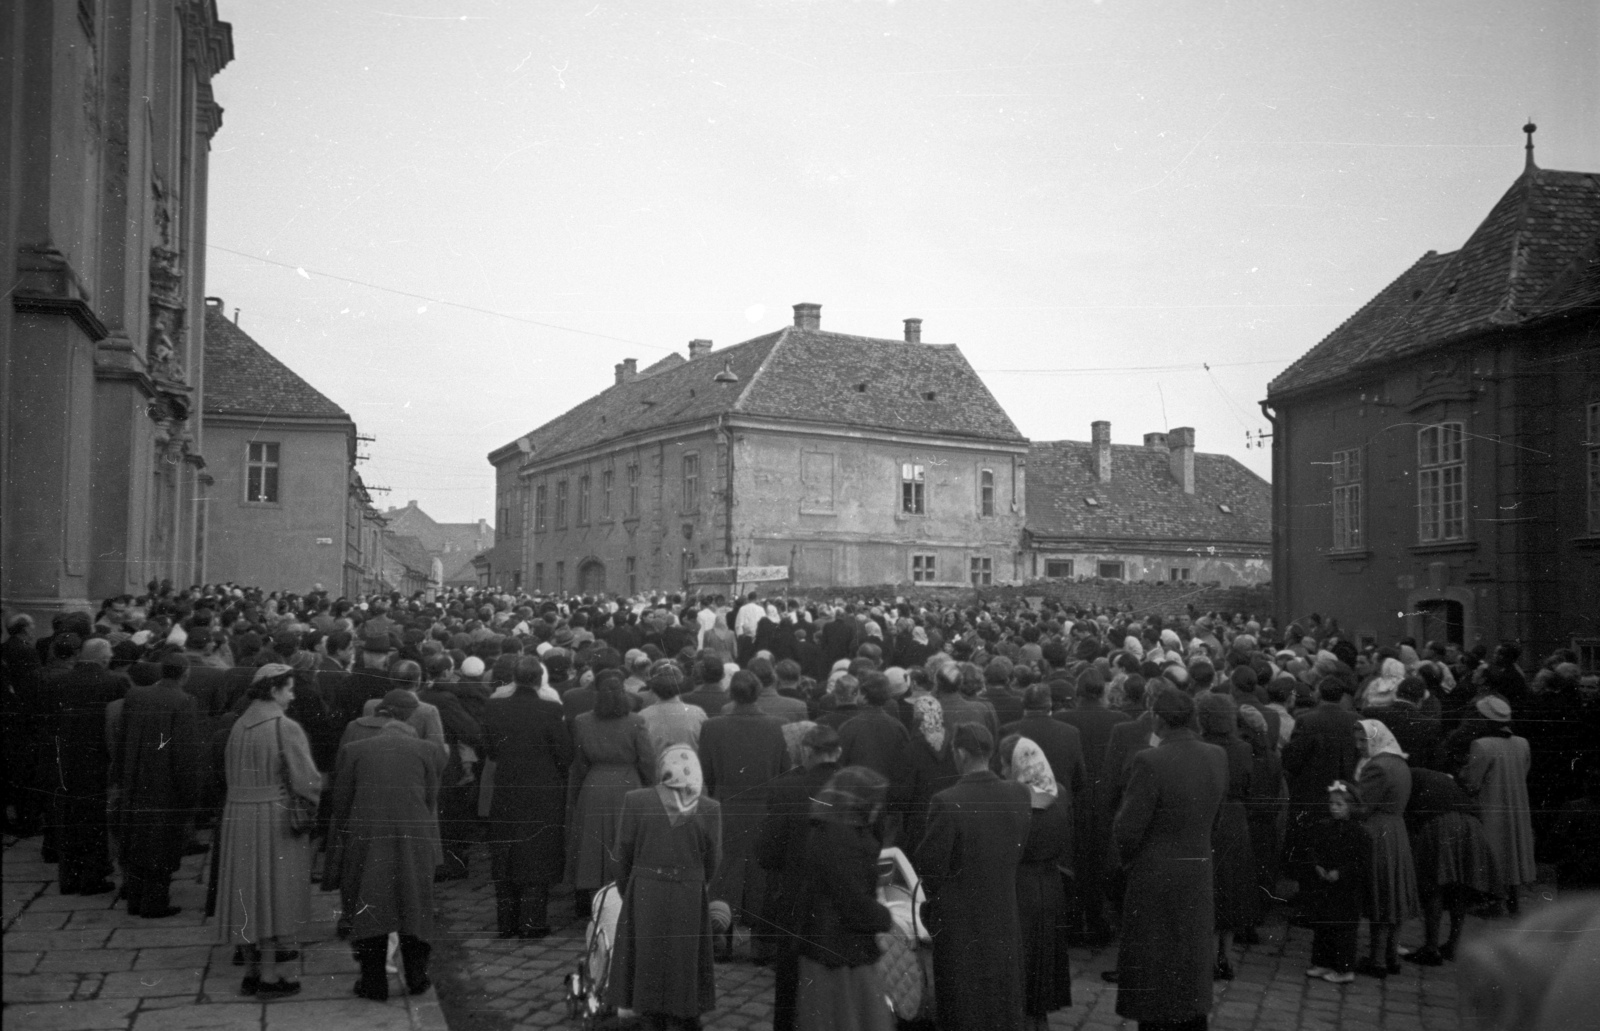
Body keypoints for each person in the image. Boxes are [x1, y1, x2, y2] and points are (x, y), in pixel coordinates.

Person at [1112, 687, 1227, 1031]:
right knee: (1190, 957)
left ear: (1159, 719)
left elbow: (1127, 829)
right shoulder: (1217, 755)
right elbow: (1216, 815)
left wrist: (1132, 861)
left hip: (1155, 873)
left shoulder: (1150, 760)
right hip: (1197, 869)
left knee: (1155, 963)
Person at [325, 689, 445, 1001]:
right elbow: (431, 798)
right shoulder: (426, 750)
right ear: (411, 717)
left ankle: (373, 980)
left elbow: (341, 803)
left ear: (383, 713)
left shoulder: (354, 749)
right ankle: (417, 977)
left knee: (369, 900)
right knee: (414, 901)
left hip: (367, 835)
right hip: (413, 834)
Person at [212, 664, 322, 998]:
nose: (293, 694)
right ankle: (277, 978)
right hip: (273, 818)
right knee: (277, 894)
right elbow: (307, 781)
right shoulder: (284, 727)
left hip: (239, 816)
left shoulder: (238, 725)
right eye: (289, 689)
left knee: (248, 892)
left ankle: (252, 972)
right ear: (273, 691)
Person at [915, 722, 1032, 1031]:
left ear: (962, 753)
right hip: (1003, 909)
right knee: (1001, 996)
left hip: (959, 917)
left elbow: (930, 866)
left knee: (962, 1001)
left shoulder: (947, 801)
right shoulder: (1019, 793)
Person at [608, 745, 723, 1031]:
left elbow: (623, 851)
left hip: (646, 888)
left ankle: (649, 1013)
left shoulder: (636, 800)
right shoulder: (709, 807)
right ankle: (684, 1012)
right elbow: (714, 858)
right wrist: (698, 882)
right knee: (684, 954)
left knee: (647, 951)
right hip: (689, 889)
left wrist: (628, 889)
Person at [793, 766, 895, 1031]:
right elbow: (853, 902)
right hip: (841, 957)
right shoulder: (844, 840)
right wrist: (885, 918)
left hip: (825, 948)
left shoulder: (828, 829)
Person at [698, 669, 789, 956]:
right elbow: (784, 772)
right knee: (763, 875)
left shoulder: (713, 727)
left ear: (731, 693)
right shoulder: (779, 726)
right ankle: (762, 943)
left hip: (728, 807)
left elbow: (707, 774)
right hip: (764, 808)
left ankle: (721, 938)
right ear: (759, 692)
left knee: (726, 872)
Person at [758, 724, 843, 1031]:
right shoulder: (857, 787)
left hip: (797, 898)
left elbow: (766, 853)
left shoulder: (787, 788)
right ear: (839, 753)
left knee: (791, 983)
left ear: (807, 752)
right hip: (842, 901)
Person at [481, 655, 572, 938]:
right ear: (538, 679)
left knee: (506, 852)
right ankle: (532, 921)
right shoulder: (550, 709)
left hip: (508, 785)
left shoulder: (495, 706)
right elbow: (565, 754)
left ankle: (507, 922)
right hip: (542, 789)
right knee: (536, 852)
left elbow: (491, 749)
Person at [111, 650, 204, 920]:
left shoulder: (135, 695)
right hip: (165, 786)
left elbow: (122, 739)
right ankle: (154, 903)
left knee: (137, 841)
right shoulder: (184, 701)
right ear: (185, 674)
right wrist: (190, 793)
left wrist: (119, 775)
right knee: (161, 846)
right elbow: (185, 753)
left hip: (135, 781)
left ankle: (136, 899)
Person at [566, 673, 656, 917]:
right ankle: (625, 897)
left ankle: (588, 900)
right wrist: (651, 784)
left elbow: (580, 761)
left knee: (592, 844)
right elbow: (647, 759)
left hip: (594, 785)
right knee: (624, 841)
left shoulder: (583, 721)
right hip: (628, 785)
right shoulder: (635, 722)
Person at [1000, 735, 1074, 1031]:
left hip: (1020, 885)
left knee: (1023, 958)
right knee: (1044, 958)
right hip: (1050, 883)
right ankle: (1039, 1019)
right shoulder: (1062, 793)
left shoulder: (1012, 799)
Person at [50, 637, 128, 894]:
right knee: (94, 820)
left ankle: (69, 877)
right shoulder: (113, 682)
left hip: (65, 760)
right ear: (103, 658)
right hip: (98, 760)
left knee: (69, 818)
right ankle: (92, 877)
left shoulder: (59, 682)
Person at [1403, 765, 1496, 965]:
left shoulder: (1405, 776)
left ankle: (1431, 947)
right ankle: (1452, 946)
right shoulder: (1432, 775)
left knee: (1434, 885)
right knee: (1459, 887)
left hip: (1442, 825)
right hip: (1470, 825)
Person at [1352, 718, 1419, 978]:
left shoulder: (1377, 767)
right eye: (1356, 740)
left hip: (1378, 831)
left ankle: (1378, 960)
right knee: (1392, 893)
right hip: (1396, 830)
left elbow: (1362, 804)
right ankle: (1390, 956)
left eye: (1363, 740)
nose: (1359, 746)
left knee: (1381, 894)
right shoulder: (1399, 762)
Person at [1197, 691, 1257, 980]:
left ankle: (1208, 958)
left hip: (1207, 816)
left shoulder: (1200, 746)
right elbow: (1247, 784)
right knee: (1231, 886)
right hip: (1235, 818)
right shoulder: (1243, 749)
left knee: (1210, 886)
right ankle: (1227, 957)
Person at [1459, 695, 1537, 916]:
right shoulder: (1522, 743)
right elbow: (1524, 771)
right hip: (1516, 804)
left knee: (1494, 849)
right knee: (1513, 847)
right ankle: (1513, 899)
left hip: (1490, 804)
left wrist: (1462, 772)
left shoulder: (1482, 745)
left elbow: (1472, 782)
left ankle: (1494, 900)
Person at [1302, 781, 1367, 984]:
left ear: (1350, 807)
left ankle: (1344, 968)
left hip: (1346, 888)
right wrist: (1317, 865)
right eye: (1332, 804)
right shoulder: (1325, 827)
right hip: (1326, 885)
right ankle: (1322, 962)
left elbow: (1360, 861)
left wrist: (1342, 872)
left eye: (1339, 805)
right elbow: (1315, 850)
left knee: (1343, 929)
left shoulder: (1358, 832)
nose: (1334, 808)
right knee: (1323, 925)